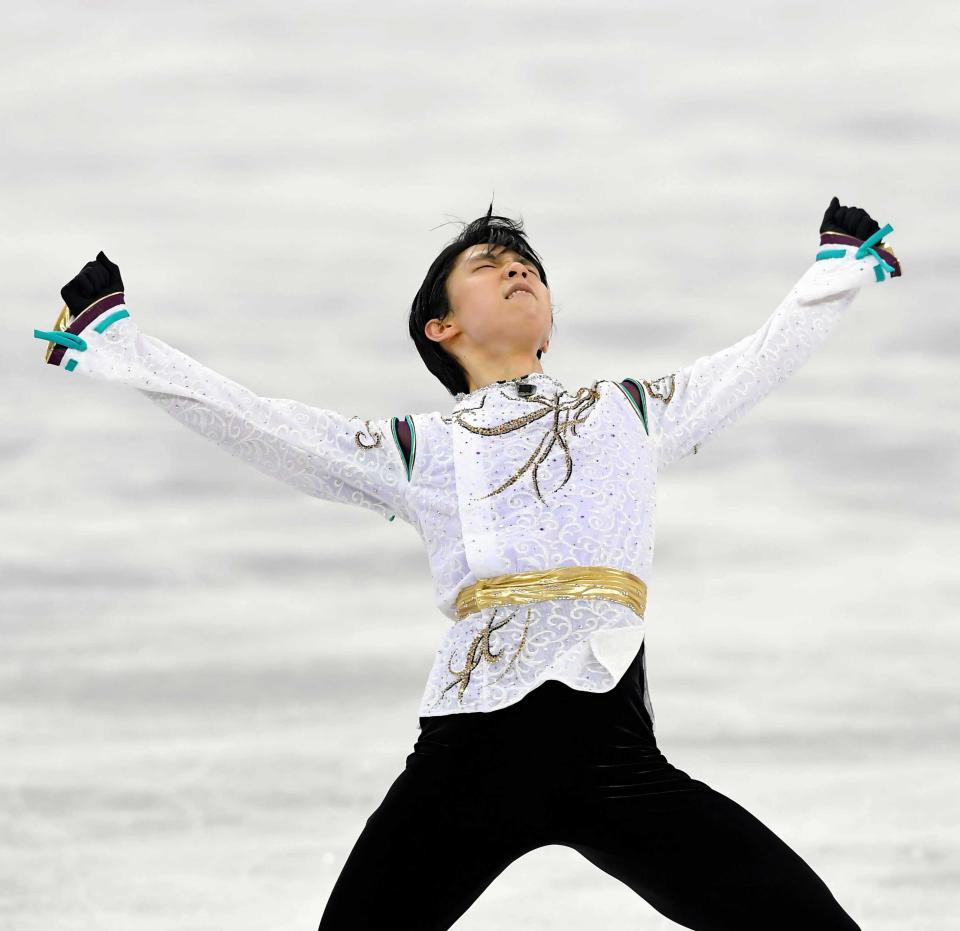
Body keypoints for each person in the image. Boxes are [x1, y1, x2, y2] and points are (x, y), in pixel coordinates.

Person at [34, 197, 900, 929]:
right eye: (488, 265)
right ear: (440, 326)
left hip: (613, 756)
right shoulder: (423, 448)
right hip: (470, 754)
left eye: (528, 265)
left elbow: (752, 362)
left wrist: (836, 267)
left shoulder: (628, 412)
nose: (517, 268)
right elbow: (265, 424)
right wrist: (120, 344)